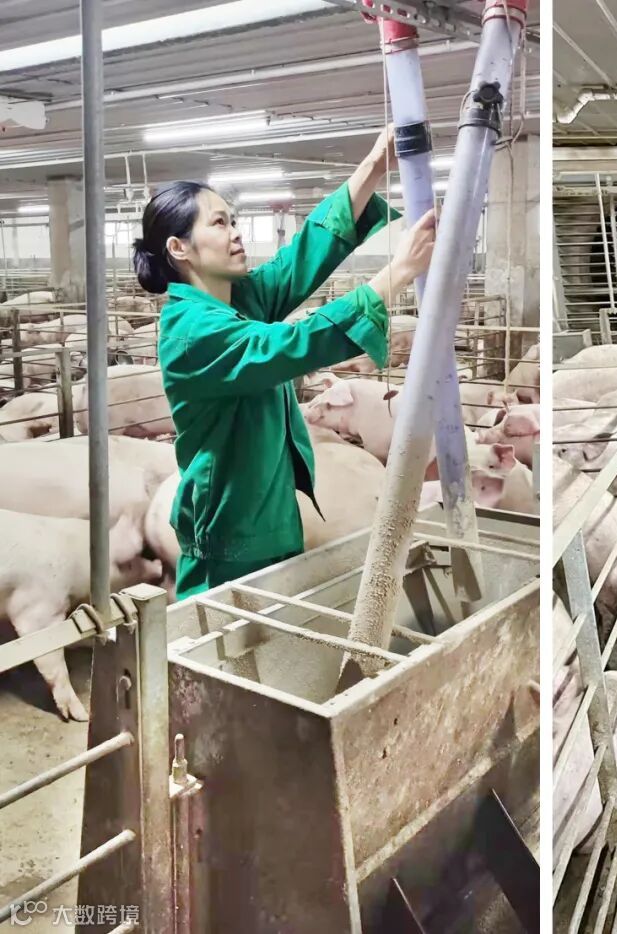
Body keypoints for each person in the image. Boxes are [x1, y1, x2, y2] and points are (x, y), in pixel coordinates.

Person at [132, 125, 436, 602]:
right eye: (219, 223)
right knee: (223, 633)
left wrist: (375, 165)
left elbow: (299, 259)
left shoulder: (237, 300)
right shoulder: (193, 332)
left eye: (234, 221)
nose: (236, 233)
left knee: (272, 627)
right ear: (179, 248)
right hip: (229, 530)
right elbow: (296, 343)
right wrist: (397, 272)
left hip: (267, 512)